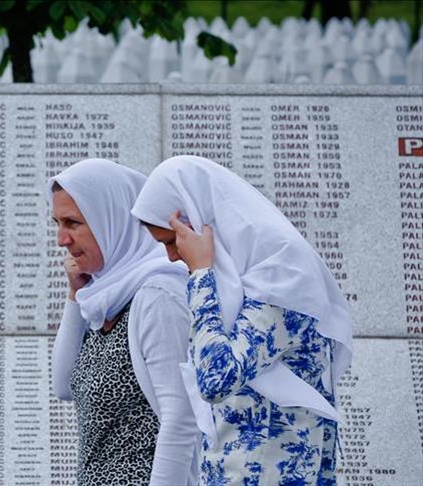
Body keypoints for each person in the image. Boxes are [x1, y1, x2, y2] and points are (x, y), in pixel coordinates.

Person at [132, 155, 353, 485]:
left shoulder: (281, 276)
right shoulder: (242, 279)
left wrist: (201, 273)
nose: (173, 256)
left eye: (171, 241)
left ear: (199, 221)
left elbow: (216, 379)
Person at [49, 158, 200, 486]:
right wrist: (75, 297)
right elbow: (63, 386)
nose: (62, 240)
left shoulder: (157, 295)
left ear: (111, 219)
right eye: (57, 223)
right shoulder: (105, 299)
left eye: (73, 223)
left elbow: (181, 417)